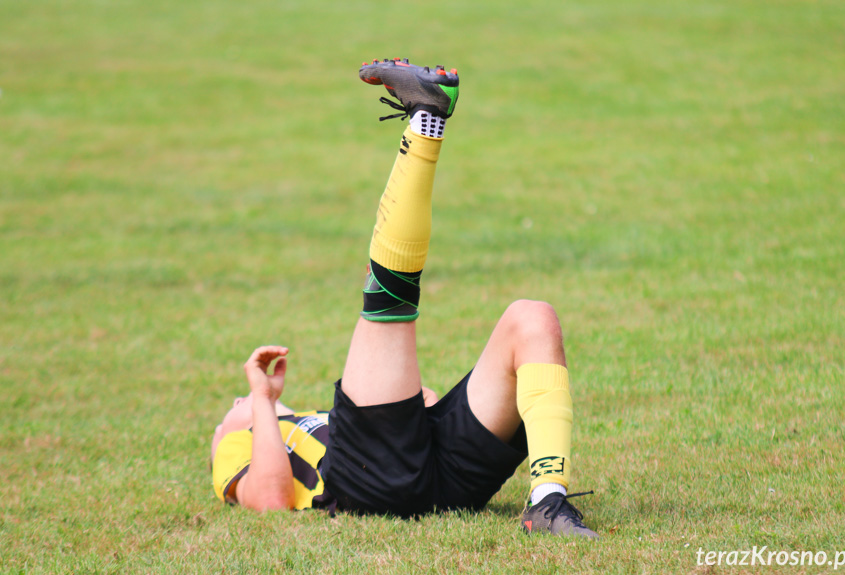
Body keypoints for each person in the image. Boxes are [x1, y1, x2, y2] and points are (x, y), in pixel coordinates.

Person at [210, 58, 599, 538]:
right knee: (388, 301)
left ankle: (548, 501)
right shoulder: (239, 442)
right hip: (371, 484)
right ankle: (425, 122)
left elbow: (411, 406)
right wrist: (259, 400)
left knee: (533, 320)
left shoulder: (317, 420)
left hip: (438, 471)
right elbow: (269, 497)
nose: (231, 406)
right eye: (227, 413)